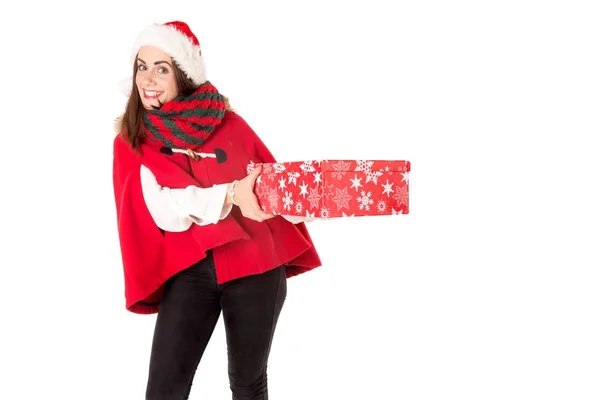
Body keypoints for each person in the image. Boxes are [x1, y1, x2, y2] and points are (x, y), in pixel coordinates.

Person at [112, 20, 322, 400]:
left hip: (256, 264)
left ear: (184, 76)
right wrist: (231, 195)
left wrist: (314, 196)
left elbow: (270, 181)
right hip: (190, 270)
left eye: (162, 69)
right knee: (164, 388)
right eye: (142, 66)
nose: (149, 79)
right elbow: (167, 211)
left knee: (247, 383)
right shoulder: (134, 142)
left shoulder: (231, 124)